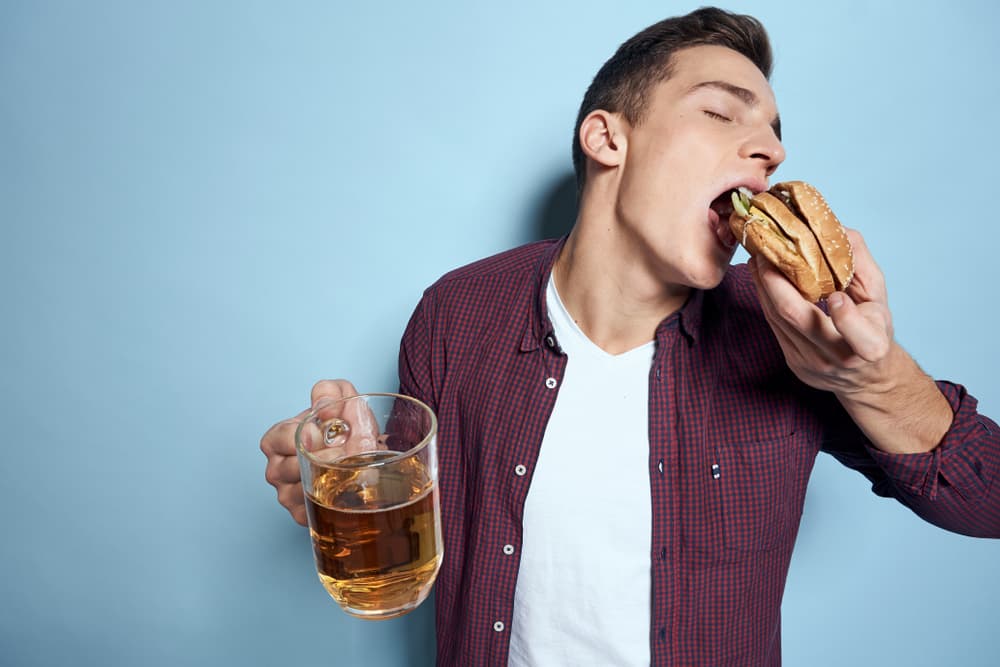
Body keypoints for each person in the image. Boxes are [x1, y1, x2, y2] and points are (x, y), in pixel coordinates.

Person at [260, 7, 1000, 665]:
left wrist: (870, 377)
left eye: (775, 133)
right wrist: (348, 473)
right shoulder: (456, 314)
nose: (768, 151)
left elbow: (986, 499)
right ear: (608, 138)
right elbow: (413, 540)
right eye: (723, 114)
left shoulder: (788, 330)